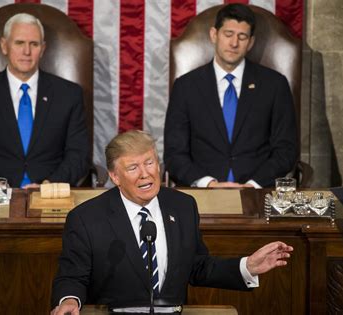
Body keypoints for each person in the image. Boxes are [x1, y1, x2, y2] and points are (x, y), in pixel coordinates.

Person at [50, 130, 293, 314]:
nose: (145, 174)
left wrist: (247, 266)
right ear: (115, 176)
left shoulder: (183, 206)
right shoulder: (86, 218)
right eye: (133, 167)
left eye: (149, 162)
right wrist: (69, 300)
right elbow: (72, 276)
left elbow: (198, 267)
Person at [164, 3, 298, 188]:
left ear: (250, 42)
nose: (234, 43)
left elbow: (286, 151)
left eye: (242, 36)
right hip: (203, 195)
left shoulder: (274, 85)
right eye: (228, 34)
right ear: (214, 35)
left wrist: (253, 185)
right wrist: (208, 183)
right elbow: (174, 153)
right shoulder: (185, 87)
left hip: (258, 193)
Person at [0, 13, 90, 188]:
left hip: (50, 194)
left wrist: (49, 185)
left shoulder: (69, 94)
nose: (26, 51)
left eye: (33, 44)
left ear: (42, 49)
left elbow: (78, 155)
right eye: (19, 43)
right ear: (4, 46)